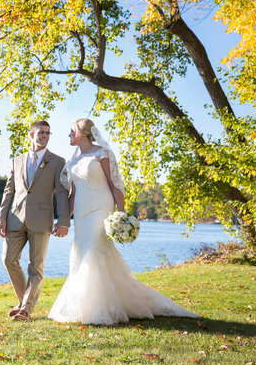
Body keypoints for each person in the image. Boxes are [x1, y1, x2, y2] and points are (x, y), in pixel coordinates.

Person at [48, 118, 198, 325]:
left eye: (71, 131)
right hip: (81, 214)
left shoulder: (103, 153)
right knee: (82, 253)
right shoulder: (73, 161)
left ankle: (96, 310)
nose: (69, 135)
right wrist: (63, 220)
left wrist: (122, 215)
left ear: (82, 133)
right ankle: (86, 304)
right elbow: (72, 194)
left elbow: (115, 184)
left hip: (101, 208)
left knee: (93, 251)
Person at [0, 120, 71, 321]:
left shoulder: (57, 161)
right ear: (31, 135)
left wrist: (63, 221)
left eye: (48, 133)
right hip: (15, 218)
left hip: (41, 219)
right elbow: (9, 190)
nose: (45, 136)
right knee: (8, 259)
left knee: (35, 266)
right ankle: (23, 301)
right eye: (41, 133)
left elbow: (62, 193)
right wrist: (1, 217)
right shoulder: (17, 160)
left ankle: (27, 309)